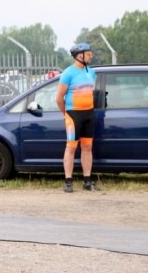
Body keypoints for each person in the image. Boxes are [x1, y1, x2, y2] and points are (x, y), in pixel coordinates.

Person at [56, 43, 100, 193]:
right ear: (79, 55)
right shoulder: (68, 72)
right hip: (73, 115)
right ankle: (68, 181)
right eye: (88, 53)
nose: (91, 55)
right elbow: (59, 98)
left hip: (89, 114)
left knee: (87, 147)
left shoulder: (91, 72)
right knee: (71, 147)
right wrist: (65, 113)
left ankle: (87, 181)